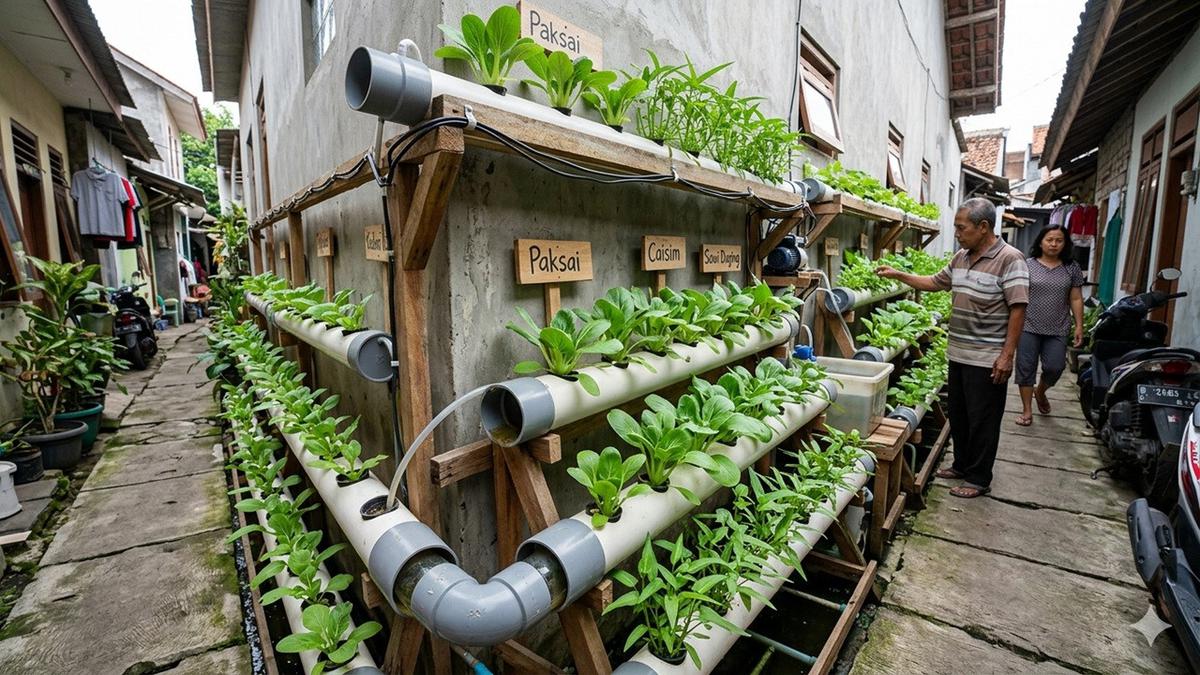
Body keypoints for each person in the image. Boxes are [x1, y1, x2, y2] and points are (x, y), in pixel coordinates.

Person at [877, 198, 1028, 498]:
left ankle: (978, 478)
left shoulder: (1011, 259)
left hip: (987, 358)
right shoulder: (962, 257)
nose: (957, 233)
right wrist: (899, 275)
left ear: (983, 227)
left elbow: (1019, 307)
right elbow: (936, 282)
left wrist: (1007, 355)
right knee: (960, 415)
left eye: (961, 227)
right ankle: (961, 465)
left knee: (983, 420)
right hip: (958, 353)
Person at [1014, 225, 1085, 426]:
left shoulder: (1072, 267)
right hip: (1028, 325)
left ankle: (1041, 392)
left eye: (1059, 240)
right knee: (1025, 368)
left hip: (1058, 327)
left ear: (1065, 243)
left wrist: (1079, 326)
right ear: (1040, 242)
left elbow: (1076, 298)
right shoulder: (1027, 265)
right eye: (1049, 239)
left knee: (1055, 367)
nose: (1054, 244)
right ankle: (1027, 410)